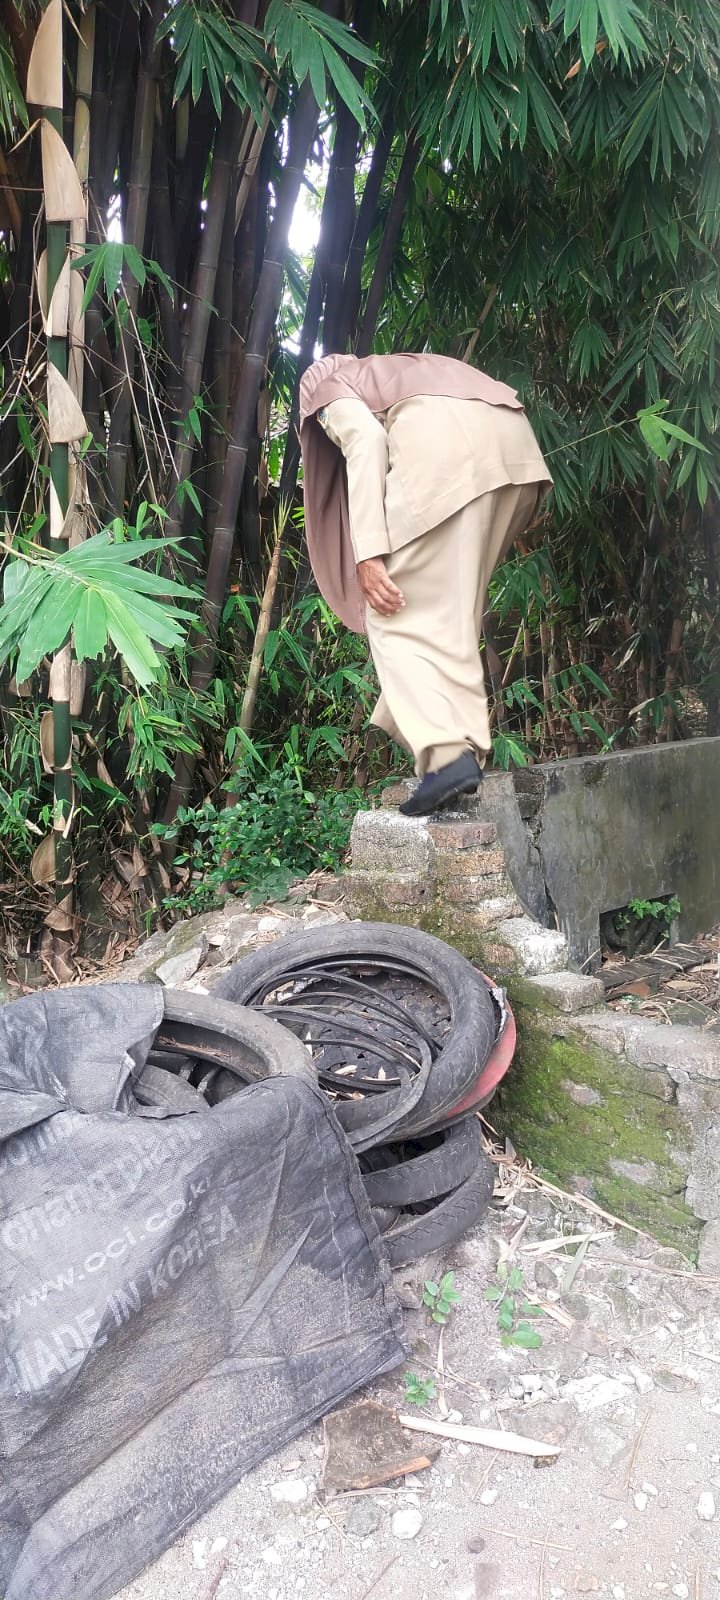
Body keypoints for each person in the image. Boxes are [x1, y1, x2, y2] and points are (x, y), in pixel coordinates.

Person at [299, 351, 552, 817]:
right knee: (446, 616)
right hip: (517, 460)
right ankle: (458, 754)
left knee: (392, 613)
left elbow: (365, 441)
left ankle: (445, 754)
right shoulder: (393, 368)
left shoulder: (326, 384)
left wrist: (368, 553)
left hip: (446, 464)